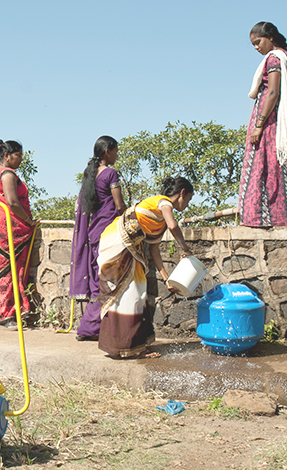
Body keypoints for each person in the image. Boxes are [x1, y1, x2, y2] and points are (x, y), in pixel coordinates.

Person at [97, 177, 194, 359]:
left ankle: (132, 345)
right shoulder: (163, 202)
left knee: (137, 293)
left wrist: (167, 279)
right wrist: (185, 249)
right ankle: (123, 346)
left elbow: (154, 250)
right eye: (188, 199)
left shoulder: (161, 220)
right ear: (182, 193)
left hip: (129, 248)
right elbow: (174, 226)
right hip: (118, 243)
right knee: (129, 293)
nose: (187, 204)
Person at [238, 21, 287, 227]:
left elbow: (273, 93)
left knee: (264, 165)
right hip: (280, 122)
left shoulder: (274, 60)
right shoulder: (286, 57)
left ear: (270, 38)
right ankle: (284, 217)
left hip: (272, 123)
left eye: (258, 42)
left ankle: (258, 217)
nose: (256, 47)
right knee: (278, 167)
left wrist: (259, 125)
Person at [70, 136, 126, 340]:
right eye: (115, 151)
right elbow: (119, 206)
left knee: (97, 280)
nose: (117, 155)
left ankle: (89, 328)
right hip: (109, 231)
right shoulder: (110, 173)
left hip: (94, 232)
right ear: (107, 151)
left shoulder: (90, 175)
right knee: (109, 281)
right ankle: (94, 328)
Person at [0, 140, 41, 329]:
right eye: (18, 156)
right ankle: (5, 315)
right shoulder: (7, 174)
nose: (20, 160)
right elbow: (13, 202)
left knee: (2, 268)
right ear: (7, 155)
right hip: (7, 225)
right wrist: (28, 221)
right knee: (7, 271)